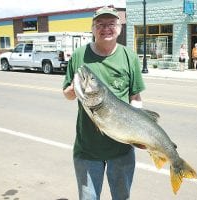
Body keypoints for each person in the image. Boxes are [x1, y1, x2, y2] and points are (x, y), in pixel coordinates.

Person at [62, 6, 145, 200]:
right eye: (100, 24)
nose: (106, 28)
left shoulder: (129, 56)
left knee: (121, 197)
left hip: (122, 149)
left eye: (111, 24)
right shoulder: (79, 56)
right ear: (92, 28)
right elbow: (67, 93)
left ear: (119, 28)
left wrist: (138, 126)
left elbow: (136, 98)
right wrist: (75, 89)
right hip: (87, 149)